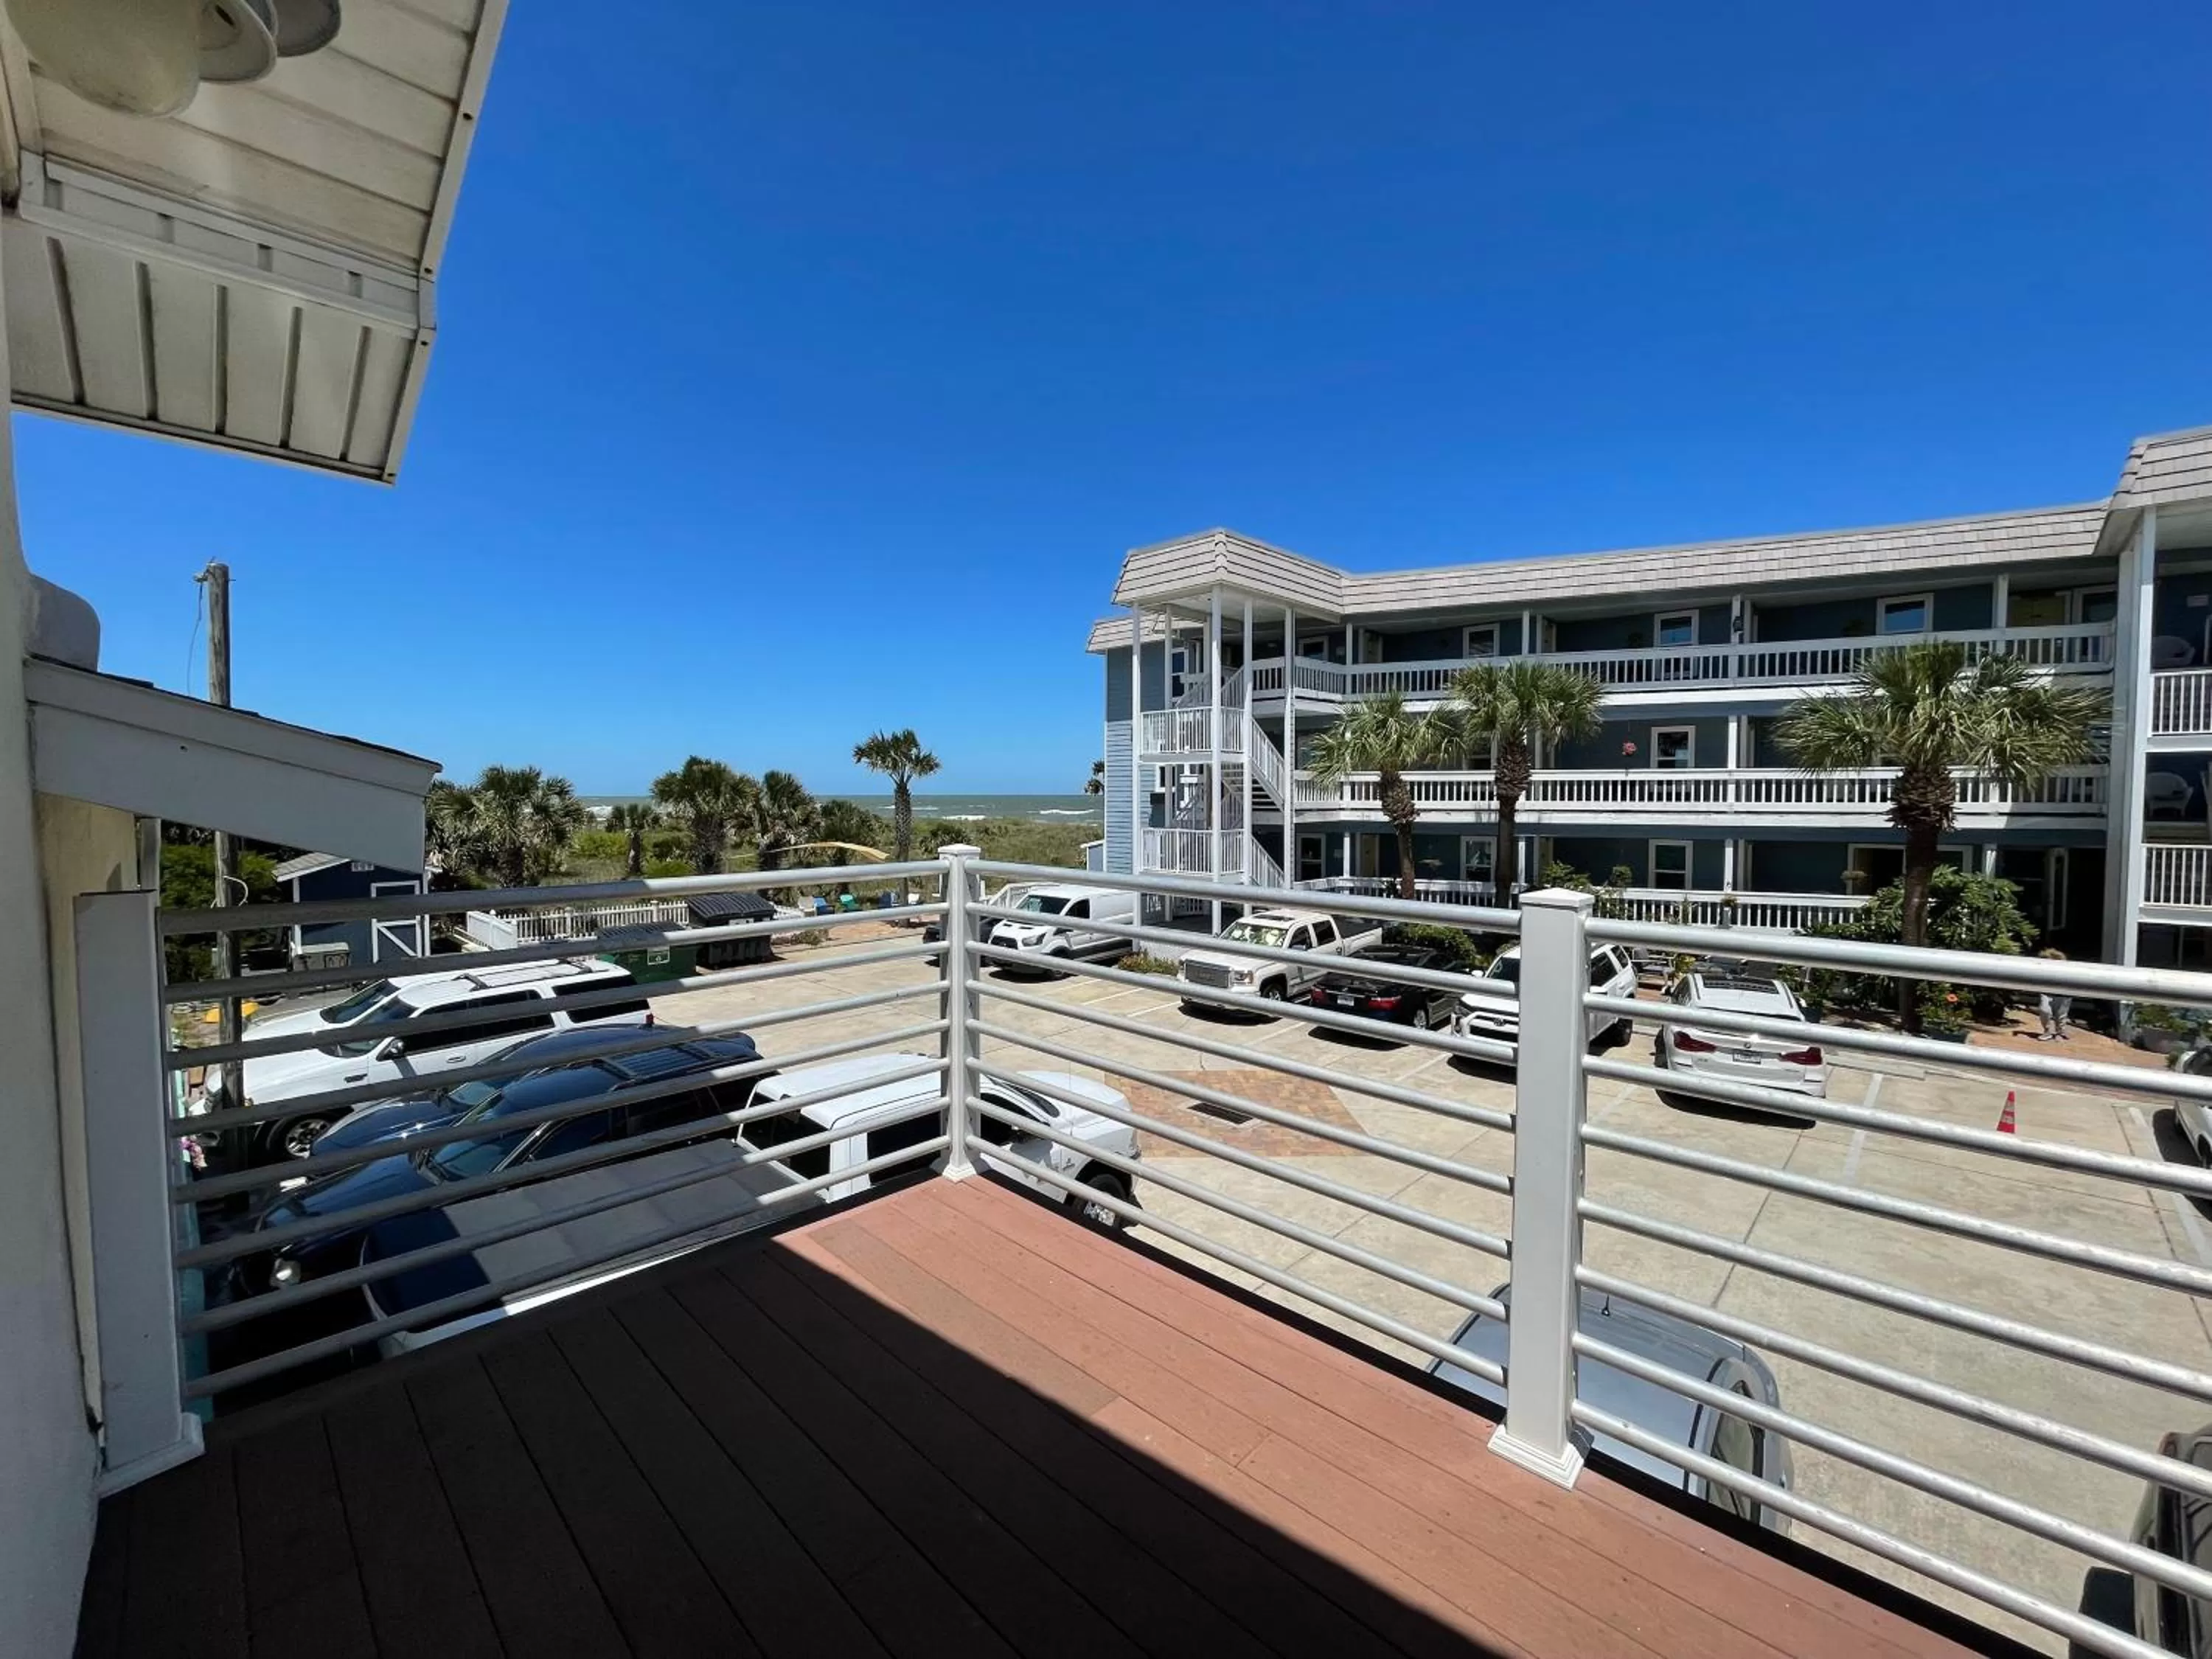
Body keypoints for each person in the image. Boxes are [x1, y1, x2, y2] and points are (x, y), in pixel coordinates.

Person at [2037, 947, 2072, 1041]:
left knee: (2061, 1015)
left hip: (2063, 994)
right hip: (2047, 993)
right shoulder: (2043, 969)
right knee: (2044, 1010)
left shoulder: (2065, 970)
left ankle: (2060, 1032)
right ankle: (2047, 1031)